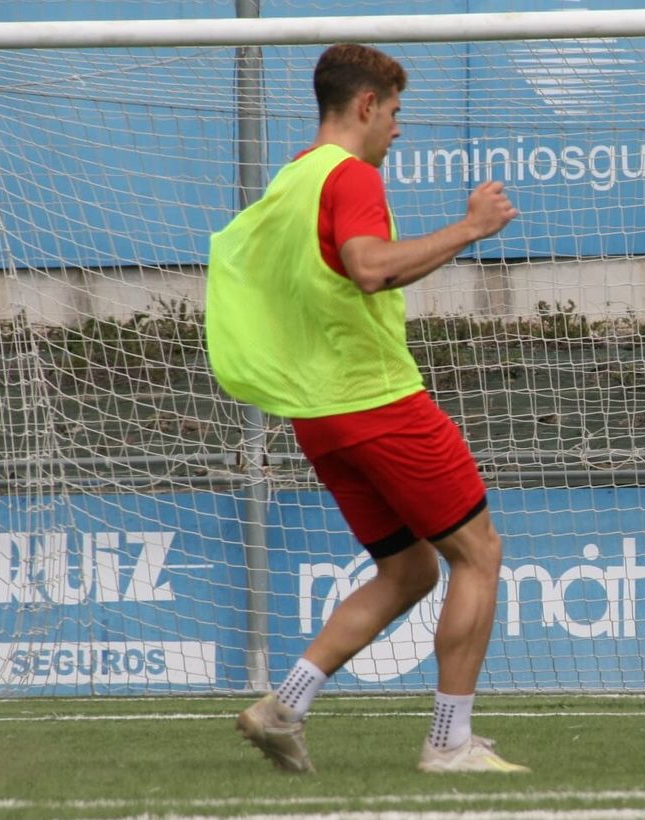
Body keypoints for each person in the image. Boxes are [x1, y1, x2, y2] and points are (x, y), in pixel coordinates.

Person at [205, 43, 526, 775]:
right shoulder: (349, 176)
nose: (399, 129)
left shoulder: (291, 178)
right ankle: (450, 742)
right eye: (396, 112)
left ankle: (284, 703)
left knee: (410, 571)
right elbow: (370, 267)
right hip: (377, 401)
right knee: (479, 554)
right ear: (364, 107)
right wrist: (471, 227)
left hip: (319, 416)